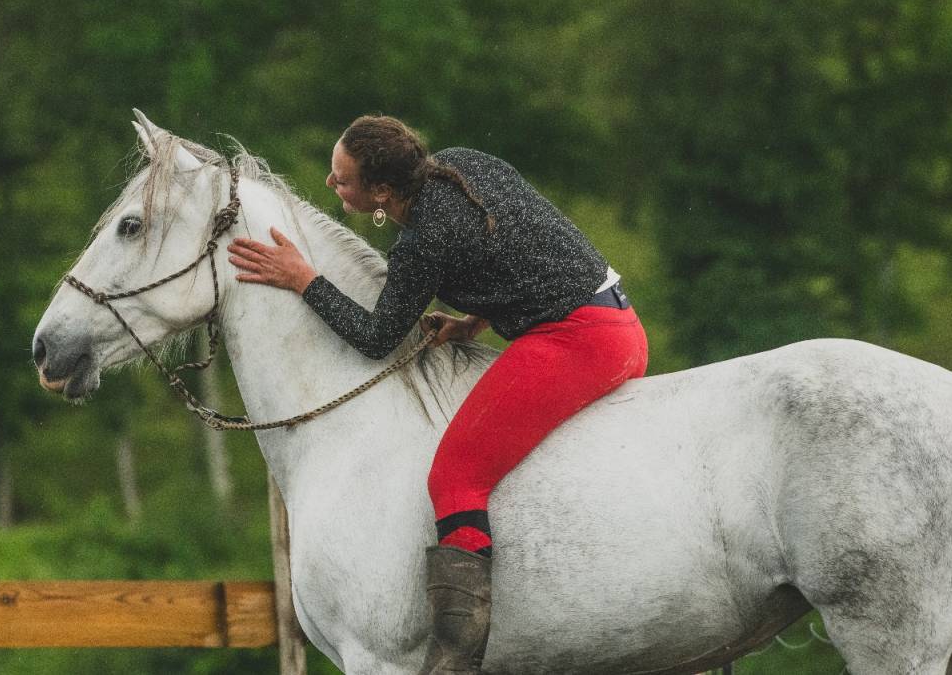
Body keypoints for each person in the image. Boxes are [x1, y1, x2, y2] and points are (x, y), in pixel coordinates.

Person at [227, 116, 648, 674]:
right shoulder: (464, 162)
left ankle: (457, 653)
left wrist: (303, 279)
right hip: (614, 319)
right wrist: (476, 321)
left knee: (454, 474)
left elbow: (377, 338)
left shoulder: (423, 239)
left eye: (342, 180)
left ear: (380, 194)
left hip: (582, 341)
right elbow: (523, 241)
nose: (332, 185)